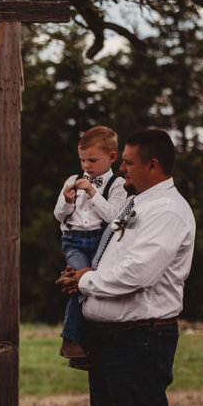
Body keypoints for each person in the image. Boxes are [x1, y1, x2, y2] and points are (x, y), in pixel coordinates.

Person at [57, 128, 196, 406]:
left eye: (130, 163)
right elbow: (110, 257)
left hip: (142, 337)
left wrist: (86, 282)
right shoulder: (136, 203)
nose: (123, 169)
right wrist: (81, 278)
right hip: (111, 340)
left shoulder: (169, 211)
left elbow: (139, 272)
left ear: (153, 165)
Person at [53, 126, 128, 367]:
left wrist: (93, 193)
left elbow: (114, 216)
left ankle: (84, 344)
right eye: (83, 160)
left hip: (101, 242)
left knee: (93, 286)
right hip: (74, 242)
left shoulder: (117, 185)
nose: (86, 166)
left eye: (93, 160)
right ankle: (70, 341)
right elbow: (58, 216)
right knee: (79, 282)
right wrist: (67, 201)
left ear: (112, 157)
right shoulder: (72, 180)